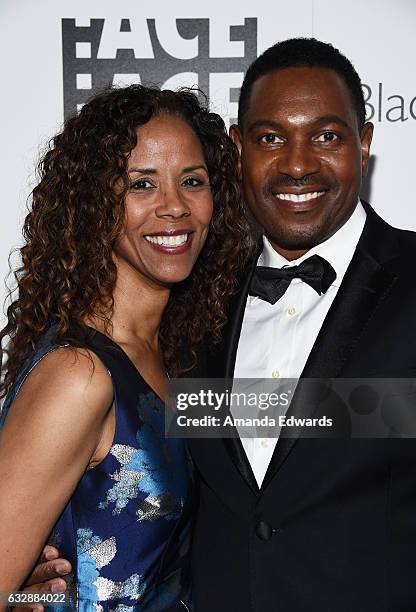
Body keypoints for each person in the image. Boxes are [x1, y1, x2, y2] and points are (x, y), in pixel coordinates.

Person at [25, 37, 416, 610]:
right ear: (237, 149)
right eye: (271, 138)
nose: (298, 163)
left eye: (327, 136)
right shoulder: (192, 305)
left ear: (365, 143)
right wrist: (30, 592)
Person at [0, 84, 252, 610]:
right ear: (94, 202)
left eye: (192, 181)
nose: (175, 207)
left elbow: (333, 416)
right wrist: (33, 602)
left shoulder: (178, 353)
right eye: (142, 184)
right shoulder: (80, 374)